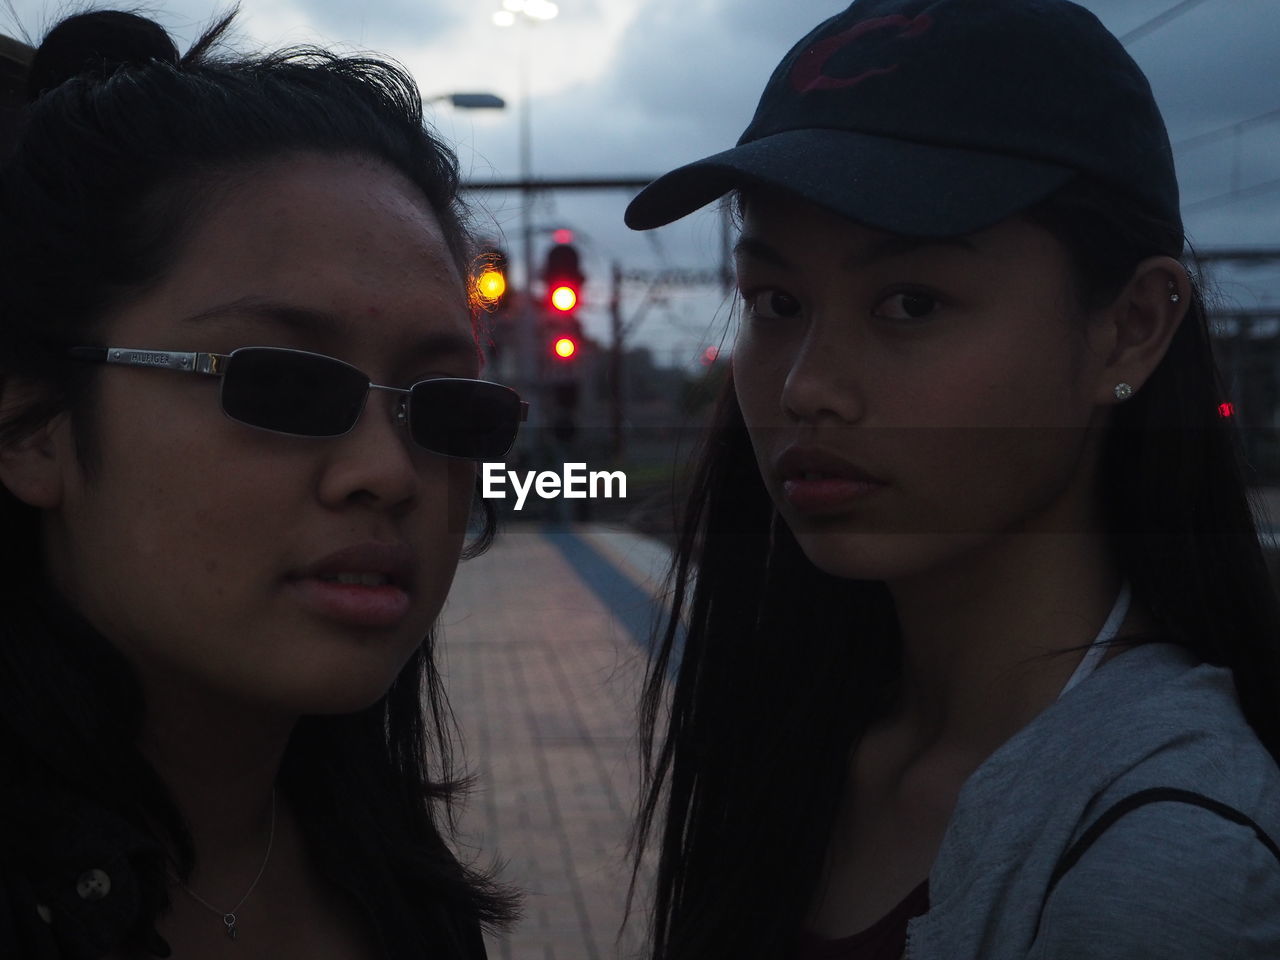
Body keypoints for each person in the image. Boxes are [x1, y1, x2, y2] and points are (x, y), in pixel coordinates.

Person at [623, 0, 1280, 957]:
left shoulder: (1166, 861)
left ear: (1131, 325)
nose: (807, 388)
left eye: (911, 302)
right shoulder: (794, 725)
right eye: (776, 301)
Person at [0, 9, 526, 959]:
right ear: (35, 427)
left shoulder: (399, 891)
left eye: (448, 407)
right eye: (282, 383)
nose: (388, 473)